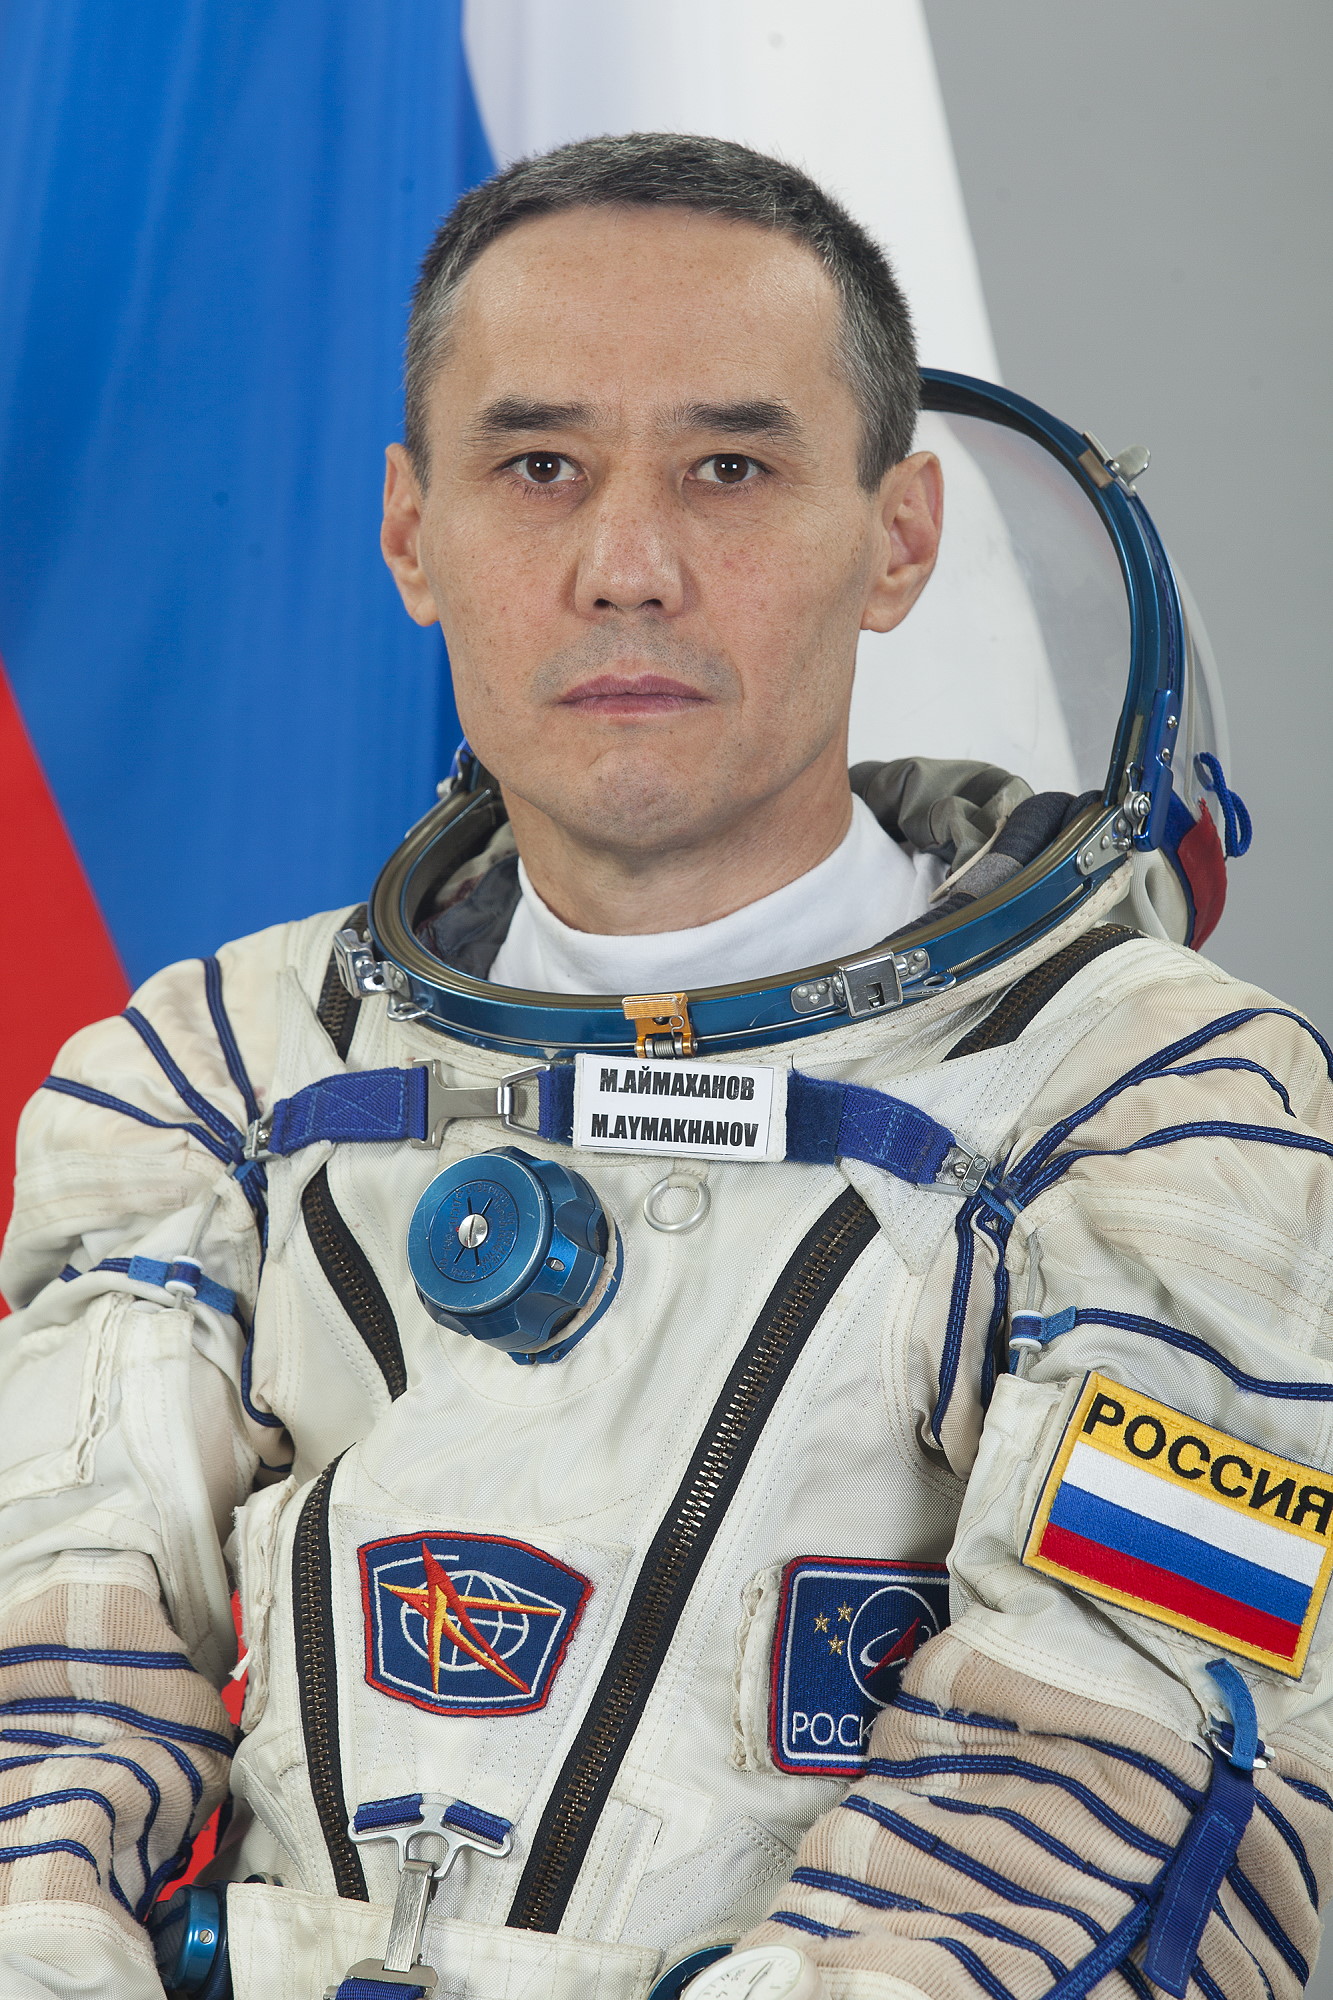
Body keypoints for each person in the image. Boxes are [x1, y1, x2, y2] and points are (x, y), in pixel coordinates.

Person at [0, 132, 1328, 2000]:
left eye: (730, 469)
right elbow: (40, 1706)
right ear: (411, 534)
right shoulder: (215, 1080)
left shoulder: (1150, 1110)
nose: (626, 569)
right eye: (538, 467)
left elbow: (1109, 1782)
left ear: (897, 539)